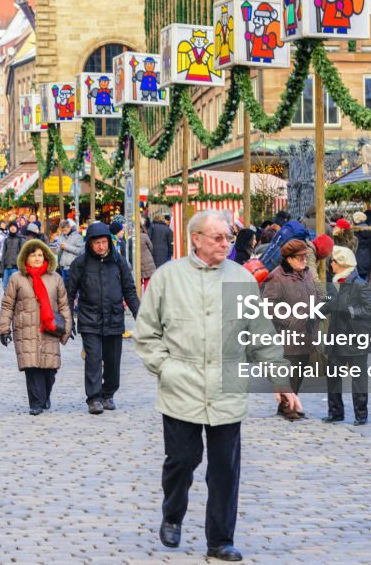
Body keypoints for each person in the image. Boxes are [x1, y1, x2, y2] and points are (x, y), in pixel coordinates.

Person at [133, 209, 299, 562]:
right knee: (182, 459)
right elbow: (147, 334)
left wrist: (281, 382)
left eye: (227, 236)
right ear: (196, 239)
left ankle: (220, 539)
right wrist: (166, 368)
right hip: (181, 387)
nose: (227, 242)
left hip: (227, 387)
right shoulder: (168, 277)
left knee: (225, 468)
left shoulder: (240, 279)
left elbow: (262, 338)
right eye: (218, 237)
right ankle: (172, 514)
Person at [66, 222, 141, 414]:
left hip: (114, 318)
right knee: (93, 358)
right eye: (97, 242)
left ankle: (108, 394)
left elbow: (129, 291)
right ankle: (94, 398)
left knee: (113, 360)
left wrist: (140, 314)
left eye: (104, 242)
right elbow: (69, 292)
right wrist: (67, 318)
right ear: (90, 244)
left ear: (109, 242)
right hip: (89, 318)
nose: (101, 246)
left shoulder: (119, 262)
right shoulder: (80, 264)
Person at [0, 238, 72, 415]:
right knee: (32, 367)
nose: (37, 258)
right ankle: (36, 403)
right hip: (26, 328)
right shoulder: (17, 279)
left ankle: (44, 396)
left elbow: (63, 305)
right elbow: (7, 305)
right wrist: (4, 328)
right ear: (26, 257)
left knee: (50, 369)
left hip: (50, 329)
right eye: (33, 255)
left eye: (40, 255)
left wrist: (67, 327)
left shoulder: (55, 278)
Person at [323, 245, 371, 426]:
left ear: (341, 263)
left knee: (358, 378)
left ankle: (361, 414)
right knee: (332, 376)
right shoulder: (334, 282)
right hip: (336, 335)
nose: (330, 264)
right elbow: (329, 303)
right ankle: (335, 412)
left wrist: (352, 311)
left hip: (356, 337)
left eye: (332, 261)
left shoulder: (358, 284)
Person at [261, 239, 316, 420]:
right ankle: (287, 408)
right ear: (289, 259)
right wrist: (290, 319)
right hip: (288, 334)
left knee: (300, 371)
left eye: (305, 257)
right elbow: (269, 305)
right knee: (289, 372)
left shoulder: (306, 274)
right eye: (300, 258)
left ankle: (290, 404)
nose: (304, 261)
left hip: (306, 333)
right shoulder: (277, 276)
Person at [56, 219, 85, 285]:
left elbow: (80, 251)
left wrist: (66, 247)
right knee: (65, 288)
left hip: (73, 267)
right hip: (63, 267)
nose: (63, 231)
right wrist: (60, 248)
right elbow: (57, 252)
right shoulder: (60, 237)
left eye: (65, 230)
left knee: (73, 288)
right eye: (62, 230)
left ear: (69, 227)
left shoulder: (78, 237)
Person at [0, 222, 23, 290]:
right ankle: (7, 300)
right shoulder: (6, 239)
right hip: (6, 267)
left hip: (16, 268)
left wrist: (21, 268)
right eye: (11, 227)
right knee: (5, 286)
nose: (13, 228)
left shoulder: (20, 239)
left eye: (14, 227)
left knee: (15, 287)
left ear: (17, 228)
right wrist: (1, 270)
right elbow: (3, 254)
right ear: (9, 228)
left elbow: (23, 255)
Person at [139, 223, 156, 290]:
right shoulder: (145, 236)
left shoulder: (132, 237)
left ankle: (138, 295)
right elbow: (151, 247)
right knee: (147, 279)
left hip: (137, 261)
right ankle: (147, 295)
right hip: (147, 260)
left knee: (138, 280)